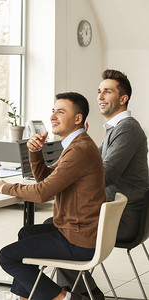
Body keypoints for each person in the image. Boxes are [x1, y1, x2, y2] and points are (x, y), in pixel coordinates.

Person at [0, 92, 106, 300]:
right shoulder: (78, 144)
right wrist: (36, 152)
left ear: (78, 119)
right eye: (53, 111)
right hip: (80, 232)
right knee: (26, 233)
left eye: (60, 112)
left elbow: (42, 192)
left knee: (7, 257)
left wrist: (4, 187)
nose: (53, 116)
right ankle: (26, 297)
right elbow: (46, 179)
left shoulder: (79, 150)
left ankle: (65, 298)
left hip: (78, 239)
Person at [55, 69, 148, 299]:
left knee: (60, 227)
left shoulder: (127, 129)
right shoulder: (115, 129)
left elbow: (105, 175)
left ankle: (82, 294)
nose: (100, 96)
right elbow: (87, 165)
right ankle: (80, 292)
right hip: (115, 213)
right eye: (99, 91)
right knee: (59, 224)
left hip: (124, 219)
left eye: (108, 91)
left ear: (123, 98)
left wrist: (64, 179)